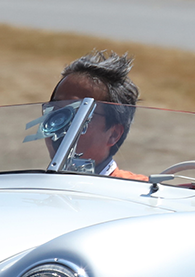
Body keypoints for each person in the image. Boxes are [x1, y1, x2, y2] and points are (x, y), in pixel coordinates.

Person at [47, 50, 146, 181]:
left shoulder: (139, 192)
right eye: (55, 111)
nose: (60, 123)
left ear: (114, 134)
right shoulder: (26, 186)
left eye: (79, 115)